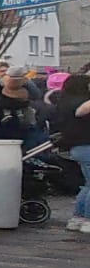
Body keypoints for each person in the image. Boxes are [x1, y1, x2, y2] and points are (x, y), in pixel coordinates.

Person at [56, 71, 90, 234]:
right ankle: (87, 220)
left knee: (87, 185)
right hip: (87, 145)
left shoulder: (63, 101)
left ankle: (77, 218)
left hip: (75, 146)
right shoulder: (82, 103)